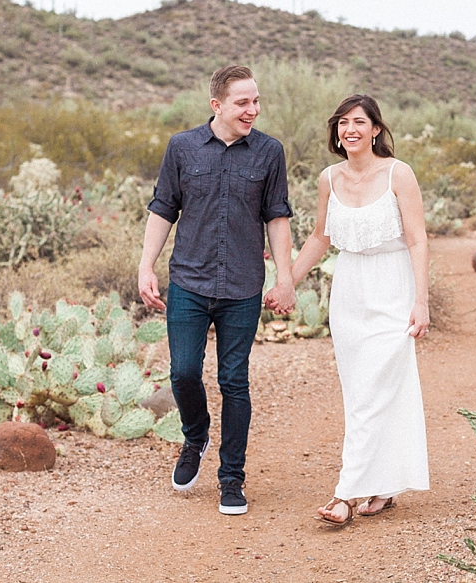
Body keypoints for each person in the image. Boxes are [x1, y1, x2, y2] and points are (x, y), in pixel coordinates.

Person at [138, 65, 296, 516]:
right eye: (243, 102)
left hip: (243, 285)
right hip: (189, 280)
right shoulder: (182, 147)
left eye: (257, 101)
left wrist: (285, 278)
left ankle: (232, 479)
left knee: (234, 381)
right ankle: (195, 436)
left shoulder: (269, 152)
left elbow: (277, 217)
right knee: (184, 373)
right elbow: (163, 208)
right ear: (217, 106)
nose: (253, 110)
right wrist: (145, 266)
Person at [276, 94, 430, 525]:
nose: (351, 130)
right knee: (362, 391)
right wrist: (287, 280)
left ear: (376, 129)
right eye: (343, 123)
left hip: (393, 286)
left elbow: (417, 239)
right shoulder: (329, 178)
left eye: (359, 122)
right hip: (349, 290)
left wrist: (421, 301)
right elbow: (320, 238)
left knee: (377, 388)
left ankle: (346, 492)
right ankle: (382, 486)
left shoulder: (399, 174)